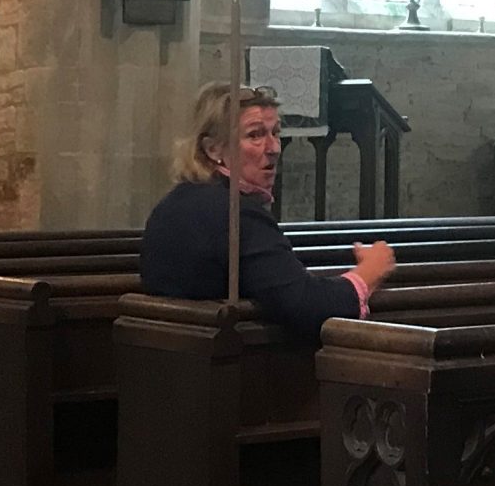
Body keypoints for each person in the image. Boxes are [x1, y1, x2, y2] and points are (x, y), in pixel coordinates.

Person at [140, 82, 398, 345]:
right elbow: (305, 305)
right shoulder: (237, 214)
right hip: (235, 371)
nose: (274, 147)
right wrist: (369, 271)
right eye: (255, 135)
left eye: (275, 133)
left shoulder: (174, 203)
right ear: (213, 149)